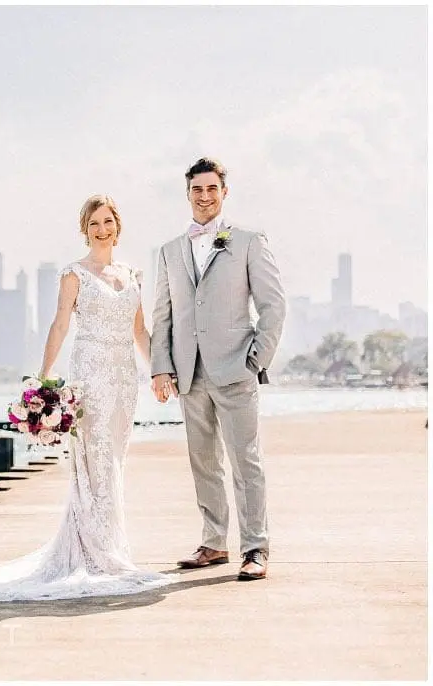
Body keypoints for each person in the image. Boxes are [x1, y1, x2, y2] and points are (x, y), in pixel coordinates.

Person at [0, 195, 175, 600]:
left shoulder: (132, 273)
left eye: (107, 222)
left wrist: (159, 370)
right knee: (94, 462)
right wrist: (45, 378)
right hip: (90, 376)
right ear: (84, 230)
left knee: (115, 461)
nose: (102, 230)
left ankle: (106, 547)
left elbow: (140, 332)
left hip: (125, 378)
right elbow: (59, 326)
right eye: (94, 224)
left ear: (118, 226)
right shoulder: (75, 274)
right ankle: (95, 554)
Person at [150, 157, 286, 581]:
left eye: (212, 189)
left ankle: (255, 547)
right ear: (187, 194)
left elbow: (273, 305)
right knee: (203, 461)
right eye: (197, 190)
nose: (204, 197)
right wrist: (161, 367)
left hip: (235, 368)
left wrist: (256, 359)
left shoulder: (247, 241)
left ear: (224, 192)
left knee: (246, 461)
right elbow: (163, 315)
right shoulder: (170, 251)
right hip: (189, 373)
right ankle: (213, 542)